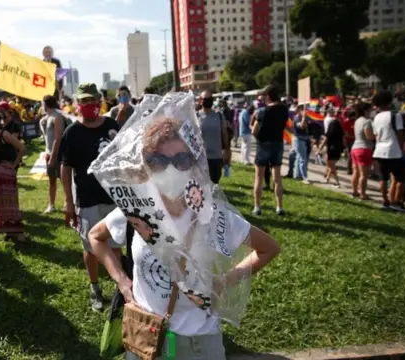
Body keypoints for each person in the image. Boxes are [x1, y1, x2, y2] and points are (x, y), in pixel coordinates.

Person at [87, 117, 281, 360]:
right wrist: (122, 282)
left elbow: (268, 248)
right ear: (145, 163)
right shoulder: (137, 209)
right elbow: (95, 237)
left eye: (181, 159)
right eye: (158, 161)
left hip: (199, 340)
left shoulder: (212, 214)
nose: (170, 169)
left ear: (193, 162)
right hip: (146, 335)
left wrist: (224, 281)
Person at [59, 83, 122, 312]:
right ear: (77, 103)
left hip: (114, 197)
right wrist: (68, 200)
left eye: (91, 100)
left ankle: (120, 289)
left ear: (99, 101)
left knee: (116, 245)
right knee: (91, 247)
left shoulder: (112, 126)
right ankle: (95, 287)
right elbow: (65, 168)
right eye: (83, 101)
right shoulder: (72, 133)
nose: (88, 105)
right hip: (87, 199)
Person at [0, 111, 28, 246]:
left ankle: (20, 235)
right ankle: (7, 231)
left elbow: (22, 148)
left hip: (6, 173)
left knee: (10, 203)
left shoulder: (5, 135)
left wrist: (14, 165)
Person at [251, 86, 288, 216]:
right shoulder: (285, 110)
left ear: (267, 96)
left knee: (259, 177)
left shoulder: (262, 112)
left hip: (263, 145)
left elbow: (254, 131)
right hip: (278, 143)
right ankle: (279, 207)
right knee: (277, 178)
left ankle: (257, 207)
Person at [371, 90, 405, 211]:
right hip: (393, 151)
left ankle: (385, 201)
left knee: (383, 178)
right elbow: (399, 133)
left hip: (379, 151)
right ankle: (397, 202)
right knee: (401, 178)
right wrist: (402, 147)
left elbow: (376, 135)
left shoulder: (376, 117)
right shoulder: (395, 115)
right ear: (389, 101)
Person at [198, 91, 229, 185]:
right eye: (205, 99)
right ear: (200, 101)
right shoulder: (195, 116)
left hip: (216, 157)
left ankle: (214, 199)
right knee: (202, 184)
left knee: (215, 183)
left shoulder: (219, 116)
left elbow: (224, 134)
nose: (208, 101)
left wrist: (226, 151)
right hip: (201, 158)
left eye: (210, 99)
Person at [42, 95, 66, 213]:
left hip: (58, 154)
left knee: (64, 180)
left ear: (45, 104)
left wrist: (53, 155)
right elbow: (47, 137)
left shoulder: (57, 117)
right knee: (51, 180)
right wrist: (47, 152)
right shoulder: (47, 117)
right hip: (49, 154)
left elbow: (58, 137)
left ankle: (68, 202)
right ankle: (51, 204)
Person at [350, 102, 376, 200]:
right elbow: (369, 136)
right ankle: (363, 194)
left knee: (355, 172)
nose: (371, 112)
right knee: (364, 175)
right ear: (365, 111)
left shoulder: (357, 121)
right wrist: (377, 136)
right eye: (370, 110)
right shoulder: (367, 121)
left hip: (355, 148)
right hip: (364, 149)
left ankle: (354, 191)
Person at [316, 107, 345, 187]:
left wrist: (318, 150)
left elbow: (324, 141)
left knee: (330, 166)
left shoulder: (329, 133)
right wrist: (345, 149)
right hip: (339, 149)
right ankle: (327, 178)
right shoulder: (340, 133)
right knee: (332, 164)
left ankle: (337, 182)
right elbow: (344, 141)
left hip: (331, 149)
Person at [292, 104, 310, 184]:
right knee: (303, 158)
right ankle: (304, 177)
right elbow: (302, 127)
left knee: (299, 158)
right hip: (299, 139)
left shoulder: (300, 117)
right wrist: (303, 117)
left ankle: (298, 175)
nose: (305, 111)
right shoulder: (297, 118)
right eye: (303, 109)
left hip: (302, 139)